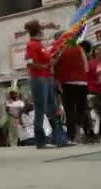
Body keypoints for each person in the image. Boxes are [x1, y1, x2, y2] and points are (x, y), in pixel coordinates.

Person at [23, 20, 60, 149]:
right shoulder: (32, 45)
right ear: (39, 31)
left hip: (47, 78)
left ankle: (58, 138)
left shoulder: (40, 44)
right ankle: (40, 141)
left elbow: (49, 61)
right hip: (38, 78)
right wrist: (43, 65)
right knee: (40, 109)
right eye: (41, 30)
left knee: (53, 107)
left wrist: (55, 57)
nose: (43, 31)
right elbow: (29, 62)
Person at [53, 32, 89, 143]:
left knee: (70, 110)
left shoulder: (59, 50)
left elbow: (53, 65)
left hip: (68, 82)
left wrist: (57, 82)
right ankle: (79, 131)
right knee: (80, 109)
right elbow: (86, 66)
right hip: (81, 82)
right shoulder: (79, 48)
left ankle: (72, 135)